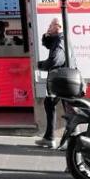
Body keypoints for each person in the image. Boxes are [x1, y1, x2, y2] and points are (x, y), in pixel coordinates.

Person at [35, 17, 65, 149]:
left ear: (58, 27)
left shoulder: (60, 41)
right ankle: (49, 138)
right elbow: (47, 44)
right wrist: (46, 34)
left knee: (68, 109)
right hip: (59, 79)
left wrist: (41, 65)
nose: (49, 27)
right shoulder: (57, 39)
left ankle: (66, 139)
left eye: (51, 25)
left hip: (61, 80)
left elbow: (55, 61)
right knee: (50, 103)